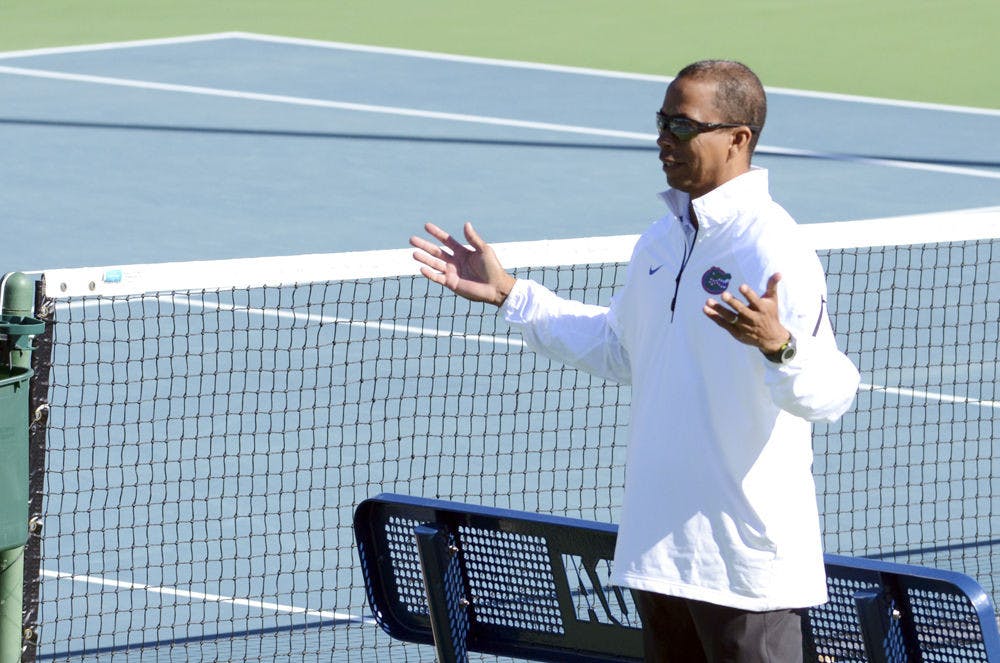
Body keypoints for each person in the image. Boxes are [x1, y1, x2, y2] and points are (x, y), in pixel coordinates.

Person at [410, 60, 860, 663]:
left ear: (737, 138)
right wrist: (513, 296)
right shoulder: (660, 240)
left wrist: (780, 346)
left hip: (745, 573)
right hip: (659, 558)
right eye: (661, 122)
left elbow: (832, 393)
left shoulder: (773, 248)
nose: (662, 140)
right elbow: (622, 348)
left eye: (682, 125)